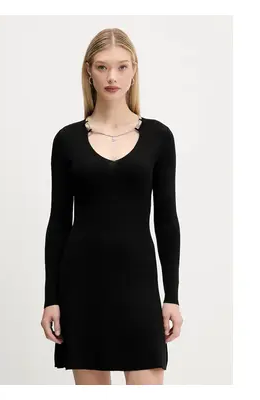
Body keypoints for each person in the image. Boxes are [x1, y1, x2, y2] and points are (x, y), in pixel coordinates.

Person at [40, 28, 183, 385]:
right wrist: (51, 298)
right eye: (102, 67)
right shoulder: (68, 140)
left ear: (134, 70)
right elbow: (59, 222)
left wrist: (172, 296)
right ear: (89, 71)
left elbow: (167, 221)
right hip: (82, 285)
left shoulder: (158, 137)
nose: (112, 77)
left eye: (121, 67)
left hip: (138, 284)